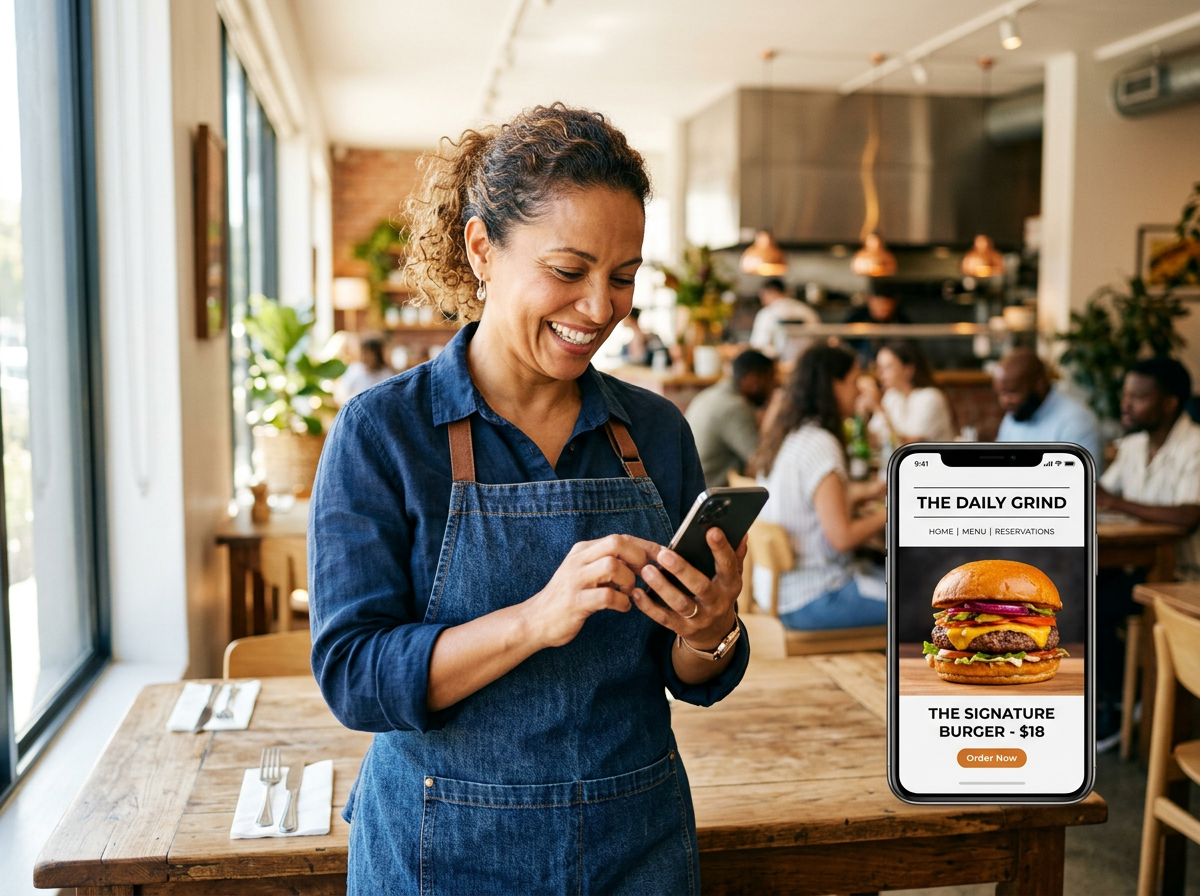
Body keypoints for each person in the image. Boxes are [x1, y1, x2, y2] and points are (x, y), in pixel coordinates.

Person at [308, 105, 749, 896]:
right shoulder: (384, 434)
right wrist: (535, 619)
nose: (599, 309)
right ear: (482, 248)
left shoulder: (653, 430)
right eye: (569, 270)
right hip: (441, 849)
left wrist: (710, 630)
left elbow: (690, 674)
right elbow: (355, 675)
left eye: (622, 276)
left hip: (636, 843)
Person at [1095, 358, 1200, 740]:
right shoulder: (1134, 445)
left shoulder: (1195, 447)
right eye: (1125, 395)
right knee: (1069, 592)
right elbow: (1101, 495)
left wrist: (1117, 504)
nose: (1126, 405)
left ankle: (1126, 705)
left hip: (1182, 573)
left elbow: (1188, 516)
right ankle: (1111, 697)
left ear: (1170, 403)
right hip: (1136, 565)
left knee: (1095, 608)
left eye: (1138, 397)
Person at [747, 344, 887, 630]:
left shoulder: (791, 435)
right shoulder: (821, 443)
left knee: (891, 577)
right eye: (853, 381)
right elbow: (842, 538)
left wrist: (866, 497)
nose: (859, 391)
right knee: (921, 603)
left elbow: (810, 507)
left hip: (775, 592)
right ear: (832, 386)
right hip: (814, 598)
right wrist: (896, 510)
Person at [994, 347, 1103, 468]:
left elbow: (1080, 482)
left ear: (1039, 384)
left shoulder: (1076, 421)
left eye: (1012, 392)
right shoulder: (1016, 415)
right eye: (1001, 394)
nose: (1004, 401)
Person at [685, 349, 776, 487]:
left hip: (690, 490)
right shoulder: (735, 408)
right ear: (753, 379)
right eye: (770, 379)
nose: (773, 388)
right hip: (705, 497)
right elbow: (764, 465)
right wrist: (776, 413)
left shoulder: (712, 394)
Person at [861, 340, 956, 444]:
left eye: (888, 367)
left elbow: (911, 447)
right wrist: (862, 414)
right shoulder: (892, 396)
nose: (881, 374)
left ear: (908, 369)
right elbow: (875, 442)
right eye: (879, 368)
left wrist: (878, 408)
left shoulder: (931, 397)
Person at [748, 277, 818, 361]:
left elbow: (759, 344)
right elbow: (817, 341)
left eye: (763, 295)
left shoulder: (766, 313)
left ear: (771, 292)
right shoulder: (807, 310)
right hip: (806, 363)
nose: (762, 300)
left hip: (776, 365)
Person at [843, 290, 909, 363]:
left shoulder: (902, 320)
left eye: (886, 302)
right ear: (869, 300)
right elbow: (845, 343)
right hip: (863, 366)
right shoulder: (857, 318)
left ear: (894, 302)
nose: (883, 306)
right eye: (879, 302)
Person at [333, 336, 394, 404]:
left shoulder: (386, 374)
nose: (368, 358)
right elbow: (340, 395)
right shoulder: (355, 370)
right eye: (365, 354)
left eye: (371, 355)